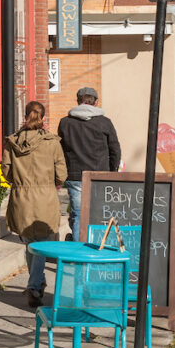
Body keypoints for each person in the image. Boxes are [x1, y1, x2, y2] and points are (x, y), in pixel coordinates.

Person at [2, 101, 67, 308]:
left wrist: (20, 183)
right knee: (39, 243)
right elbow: (62, 174)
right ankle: (35, 286)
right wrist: (51, 184)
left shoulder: (12, 142)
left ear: (25, 116)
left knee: (31, 243)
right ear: (43, 118)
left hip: (21, 198)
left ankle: (36, 283)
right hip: (46, 197)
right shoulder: (52, 142)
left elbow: (6, 172)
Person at [57, 87, 121, 242]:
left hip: (75, 175)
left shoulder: (65, 123)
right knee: (98, 214)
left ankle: (79, 254)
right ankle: (96, 248)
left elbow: (60, 150)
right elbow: (115, 150)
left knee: (78, 214)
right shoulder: (104, 123)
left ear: (78, 101)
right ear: (96, 102)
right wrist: (112, 172)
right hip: (100, 176)